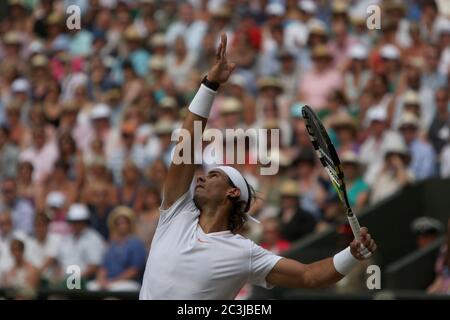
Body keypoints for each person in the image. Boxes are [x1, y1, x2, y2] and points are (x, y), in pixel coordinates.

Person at [139, 35, 377, 300]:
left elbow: (309, 276)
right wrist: (210, 85)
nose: (201, 179)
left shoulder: (244, 253)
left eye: (213, 175)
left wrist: (352, 254)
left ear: (232, 193)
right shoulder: (175, 212)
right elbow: (186, 144)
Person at [88, 207, 146, 291]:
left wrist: (113, 281)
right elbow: (103, 267)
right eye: (119, 223)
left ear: (129, 224)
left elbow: (134, 270)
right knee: (91, 287)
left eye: (124, 223)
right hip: (109, 281)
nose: (122, 226)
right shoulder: (111, 244)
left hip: (129, 282)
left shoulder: (136, 243)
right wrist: (101, 280)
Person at [55, 204, 105, 284]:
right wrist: (58, 279)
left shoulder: (94, 238)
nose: (75, 224)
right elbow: (59, 264)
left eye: (79, 221)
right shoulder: (66, 239)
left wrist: (72, 280)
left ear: (85, 222)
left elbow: (94, 267)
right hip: (65, 281)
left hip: (84, 283)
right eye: (73, 221)